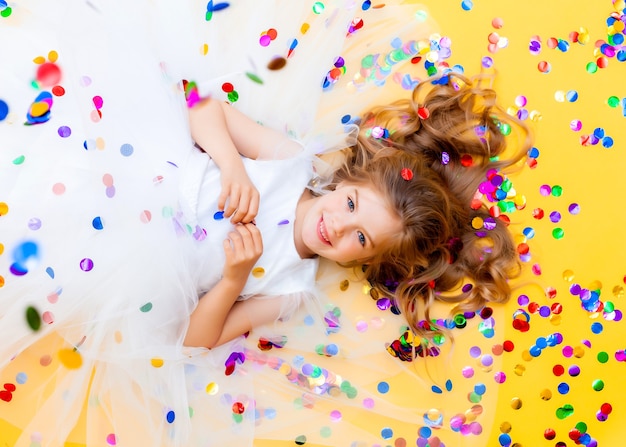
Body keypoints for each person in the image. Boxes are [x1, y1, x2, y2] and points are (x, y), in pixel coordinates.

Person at [0, 1, 530, 446]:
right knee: (45, 149)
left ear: (365, 261)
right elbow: (200, 103)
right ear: (346, 184)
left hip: (131, 259)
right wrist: (232, 165)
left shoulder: (290, 289)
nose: (337, 229)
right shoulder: (292, 164)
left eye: (360, 239)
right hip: (142, 165)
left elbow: (195, 340)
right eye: (350, 208)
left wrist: (235, 278)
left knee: (32, 234)